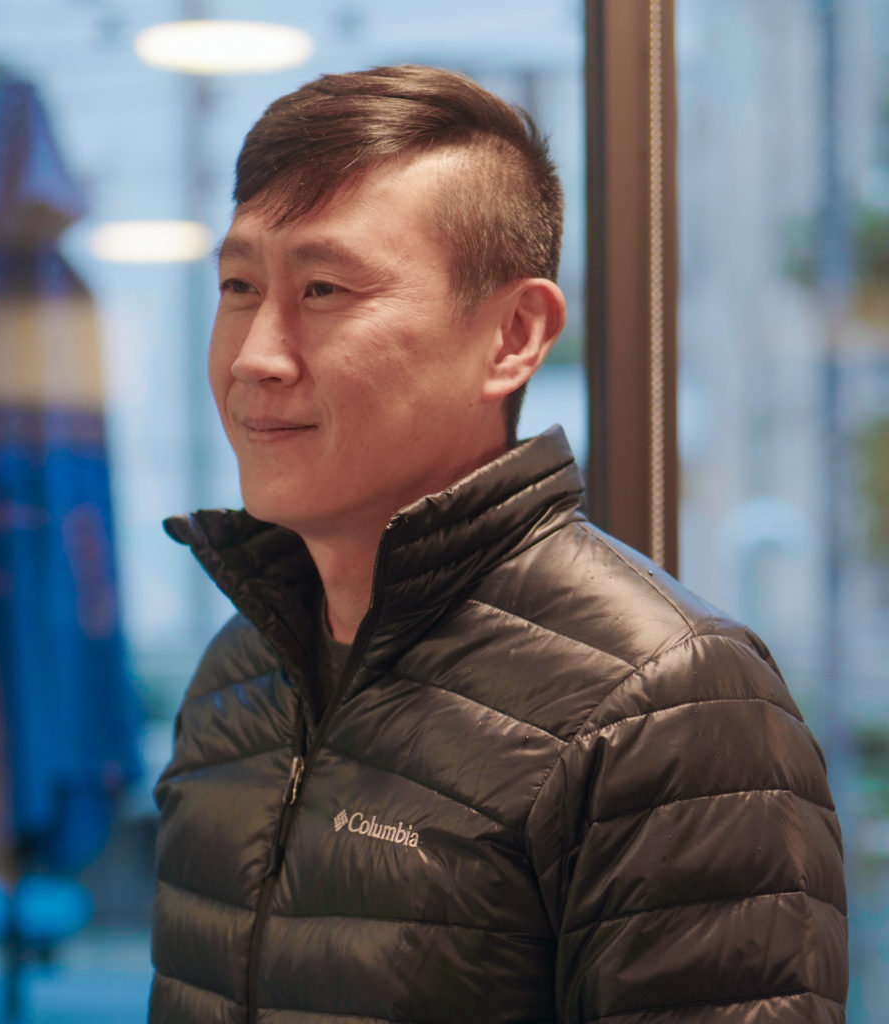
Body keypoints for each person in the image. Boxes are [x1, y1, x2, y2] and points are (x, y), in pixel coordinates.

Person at [150, 65, 848, 1023]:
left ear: (515, 335)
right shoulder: (240, 675)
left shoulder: (667, 703)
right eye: (238, 285)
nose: (257, 355)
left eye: (323, 288)